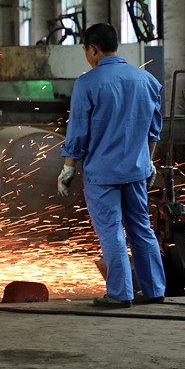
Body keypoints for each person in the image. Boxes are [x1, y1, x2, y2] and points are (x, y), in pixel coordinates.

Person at [57, 23, 166, 308]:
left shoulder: (87, 84)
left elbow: (77, 132)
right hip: (136, 171)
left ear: (93, 49)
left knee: (112, 232)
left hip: (102, 175)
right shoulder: (147, 80)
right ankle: (154, 289)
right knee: (141, 227)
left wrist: (68, 168)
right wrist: (148, 162)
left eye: (85, 50)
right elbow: (154, 131)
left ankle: (120, 294)